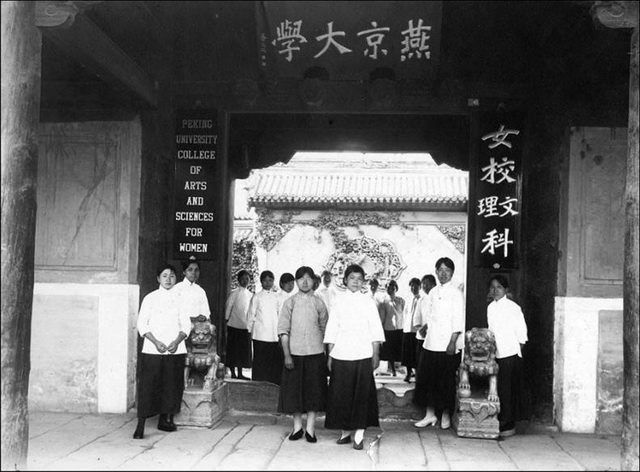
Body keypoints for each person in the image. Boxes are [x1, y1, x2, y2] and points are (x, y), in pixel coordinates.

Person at [324, 264, 386, 450]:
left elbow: (376, 329)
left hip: (362, 354)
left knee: (361, 395)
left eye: (359, 279)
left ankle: (359, 434)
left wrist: (376, 354)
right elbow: (332, 329)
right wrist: (330, 355)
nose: (356, 282)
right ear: (345, 280)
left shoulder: (368, 301)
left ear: (363, 282)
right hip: (341, 353)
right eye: (352, 278)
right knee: (342, 394)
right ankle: (345, 432)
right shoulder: (338, 301)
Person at [133, 263, 192, 439]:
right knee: (148, 387)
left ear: (176, 278)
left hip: (175, 350)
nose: (168, 279)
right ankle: (141, 424)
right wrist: (156, 342)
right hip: (152, 350)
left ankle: (166, 420)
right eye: (164, 275)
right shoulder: (150, 298)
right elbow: (142, 325)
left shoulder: (181, 299)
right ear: (158, 278)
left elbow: (186, 325)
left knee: (171, 385)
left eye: (172, 276)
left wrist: (176, 341)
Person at [277, 266, 329, 443]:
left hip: (315, 355)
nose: (305, 282)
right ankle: (297, 427)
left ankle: (310, 429)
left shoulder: (319, 303)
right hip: (294, 355)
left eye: (308, 278)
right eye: (301, 279)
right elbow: (283, 331)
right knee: (294, 393)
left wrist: (324, 353)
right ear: (296, 281)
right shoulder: (289, 303)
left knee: (314, 392)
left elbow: (325, 330)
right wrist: (287, 355)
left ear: (313, 281)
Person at [414, 258, 464, 430]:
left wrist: (452, 342)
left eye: (447, 270)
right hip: (431, 343)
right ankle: (429, 415)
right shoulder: (433, 292)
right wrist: (424, 328)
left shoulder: (456, 293)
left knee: (445, 381)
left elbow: (457, 320)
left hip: (447, 344)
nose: (443, 273)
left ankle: (445, 415)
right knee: (428, 380)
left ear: (452, 273)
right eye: (440, 270)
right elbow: (431, 316)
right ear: (436, 271)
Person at [486, 274, 529, 437]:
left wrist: (514, 353)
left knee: (508, 390)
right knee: (498, 389)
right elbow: (491, 331)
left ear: (506, 290)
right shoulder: (490, 307)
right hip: (496, 354)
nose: (495, 290)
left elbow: (522, 335)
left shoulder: (513, 308)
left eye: (499, 287)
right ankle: (501, 420)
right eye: (492, 287)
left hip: (510, 354)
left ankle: (508, 423)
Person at [247, 270, 283, 385]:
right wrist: (249, 330)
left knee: (273, 361)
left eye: (270, 280)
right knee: (260, 361)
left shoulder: (276, 297)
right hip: (260, 334)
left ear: (273, 282)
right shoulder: (257, 297)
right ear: (261, 282)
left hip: (273, 334)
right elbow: (251, 314)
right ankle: (258, 383)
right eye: (265, 280)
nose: (268, 283)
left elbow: (279, 314)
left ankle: (272, 383)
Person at [224, 269, 253, 380]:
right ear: (238, 280)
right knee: (233, 351)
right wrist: (227, 320)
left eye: (247, 279)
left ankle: (240, 373)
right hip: (234, 326)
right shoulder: (234, 293)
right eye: (242, 279)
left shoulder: (251, 295)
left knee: (242, 352)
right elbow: (229, 307)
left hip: (245, 327)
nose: (245, 281)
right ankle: (233, 373)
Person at [378, 280, 404, 376]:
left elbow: (404, 314)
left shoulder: (400, 300)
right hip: (388, 329)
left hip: (399, 328)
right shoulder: (383, 301)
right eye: (388, 288)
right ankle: (392, 370)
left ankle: (402, 370)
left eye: (392, 288)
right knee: (389, 351)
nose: (390, 290)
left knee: (399, 350)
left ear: (396, 288)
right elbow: (382, 317)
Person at [175, 256, 211, 321]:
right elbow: (175, 313)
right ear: (184, 272)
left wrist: (205, 317)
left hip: (198, 327)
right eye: (190, 269)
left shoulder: (200, 290)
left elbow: (206, 312)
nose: (194, 272)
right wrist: (193, 319)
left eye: (196, 270)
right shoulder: (177, 289)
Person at [401, 278, 422, 382]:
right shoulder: (408, 299)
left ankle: (418, 375)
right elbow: (405, 313)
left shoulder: (422, 299)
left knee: (415, 354)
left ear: (420, 287)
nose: (414, 288)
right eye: (412, 286)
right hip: (407, 330)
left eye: (416, 286)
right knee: (407, 354)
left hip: (416, 331)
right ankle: (408, 374)